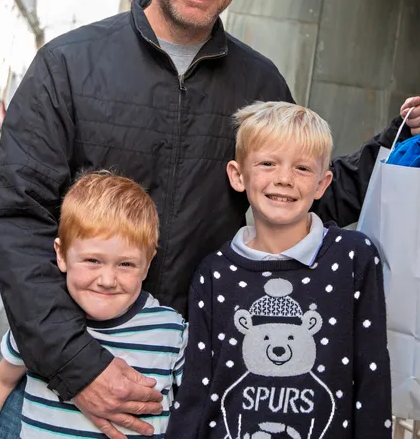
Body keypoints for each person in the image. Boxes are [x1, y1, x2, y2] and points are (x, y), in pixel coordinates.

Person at [0, 0, 420, 438]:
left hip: (184, 394)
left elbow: (292, 207)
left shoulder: (261, 84)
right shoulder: (66, 66)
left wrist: (394, 148)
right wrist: (78, 364)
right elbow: (19, 220)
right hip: (56, 391)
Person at [167, 101, 390, 438]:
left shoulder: (354, 258)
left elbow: (372, 380)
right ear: (238, 176)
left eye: (302, 168)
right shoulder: (213, 273)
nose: (284, 179)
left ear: (322, 183)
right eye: (268, 163)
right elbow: (196, 391)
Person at [0, 171, 185, 438]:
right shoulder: (42, 324)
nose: (107, 279)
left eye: (125, 264)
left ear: (147, 264)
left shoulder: (171, 332)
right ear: (61, 254)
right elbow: (1, 380)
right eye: (92, 260)